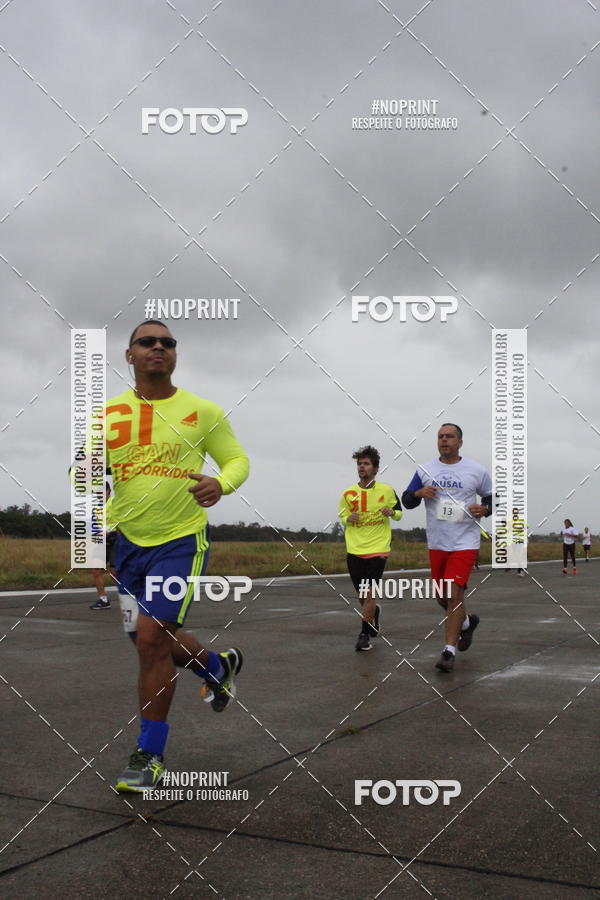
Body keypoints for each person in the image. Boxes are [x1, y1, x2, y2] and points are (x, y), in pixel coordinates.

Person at [105, 320, 249, 791]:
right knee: (149, 642)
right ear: (129, 355)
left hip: (180, 541)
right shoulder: (107, 415)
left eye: (167, 343)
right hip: (128, 545)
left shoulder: (202, 411)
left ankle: (149, 755)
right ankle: (215, 666)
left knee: (151, 640)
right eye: (147, 342)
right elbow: (81, 473)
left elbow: (237, 460)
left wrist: (220, 483)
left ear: (174, 354)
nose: (159, 348)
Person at [402, 424, 492, 673]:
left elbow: (492, 497)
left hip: (465, 542)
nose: (444, 440)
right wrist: (418, 493)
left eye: (449, 436)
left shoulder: (476, 470)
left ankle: (448, 651)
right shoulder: (425, 470)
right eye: (440, 436)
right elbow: (406, 500)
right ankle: (466, 624)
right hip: (437, 542)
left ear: (459, 442)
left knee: (454, 594)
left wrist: (485, 509)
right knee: (442, 598)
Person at [339, 446, 402, 651]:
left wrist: (391, 513)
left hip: (378, 548)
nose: (361, 467)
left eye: (366, 464)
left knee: (368, 592)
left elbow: (399, 513)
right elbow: (342, 515)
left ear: (375, 468)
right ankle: (373, 613)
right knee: (362, 595)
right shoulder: (348, 493)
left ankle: (364, 635)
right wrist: (348, 518)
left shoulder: (387, 490)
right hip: (355, 548)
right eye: (359, 464)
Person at [89, 482, 117, 610]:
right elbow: (95, 526)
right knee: (95, 571)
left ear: (108, 491)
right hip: (102, 543)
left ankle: (134, 596)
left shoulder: (115, 503)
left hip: (115, 541)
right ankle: (103, 600)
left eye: (102, 491)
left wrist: (111, 533)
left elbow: (122, 522)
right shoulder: (96, 508)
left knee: (114, 574)